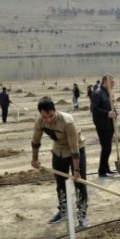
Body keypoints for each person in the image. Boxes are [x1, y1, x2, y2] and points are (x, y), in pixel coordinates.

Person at [31, 97, 88, 228]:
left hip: (76, 150)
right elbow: (35, 141)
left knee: (79, 183)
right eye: (45, 117)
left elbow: (74, 148)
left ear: (55, 110)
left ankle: (82, 215)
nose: (48, 120)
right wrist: (34, 159)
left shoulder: (67, 121)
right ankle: (63, 211)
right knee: (60, 183)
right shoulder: (40, 122)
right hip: (58, 149)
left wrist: (76, 170)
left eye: (50, 116)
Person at [90, 74, 118, 177]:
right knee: (106, 148)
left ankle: (106, 169)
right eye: (111, 82)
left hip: (110, 124)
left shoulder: (107, 93)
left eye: (113, 82)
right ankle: (102, 171)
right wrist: (107, 114)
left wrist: (115, 113)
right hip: (102, 125)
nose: (113, 84)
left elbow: (111, 107)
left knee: (108, 148)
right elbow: (94, 110)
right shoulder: (97, 94)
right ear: (105, 82)